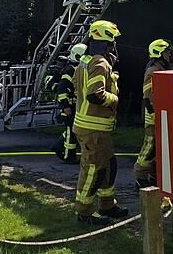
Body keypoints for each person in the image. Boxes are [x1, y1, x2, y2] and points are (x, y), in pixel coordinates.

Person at [73, 20, 129, 225]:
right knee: (93, 171)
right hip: (93, 129)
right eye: (113, 42)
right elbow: (95, 96)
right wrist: (115, 99)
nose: (115, 47)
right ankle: (84, 212)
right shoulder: (99, 62)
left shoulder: (87, 61)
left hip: (95, 128)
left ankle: (107, 205)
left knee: (108, 166)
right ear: (106, 43)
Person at [134, 38, 173, 188]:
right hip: (153, 114)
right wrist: (153, 112)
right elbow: (147, 94)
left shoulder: (163, 68)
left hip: (162, 113)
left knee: (160, 148)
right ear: (158, 53)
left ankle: (154, 176)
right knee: (150, 146)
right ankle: (140, 175)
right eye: (166, 51)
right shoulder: (153, 70)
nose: (169, 54)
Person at [53, 42, 87, 164]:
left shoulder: (77, 69)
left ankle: (58, 147)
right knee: (70, 134)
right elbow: (62, 89)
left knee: (73, 131)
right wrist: (65, 106)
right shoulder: (69, 70)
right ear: (78, 56)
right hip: (69, 107)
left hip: (75, 106)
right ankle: (68, 157)